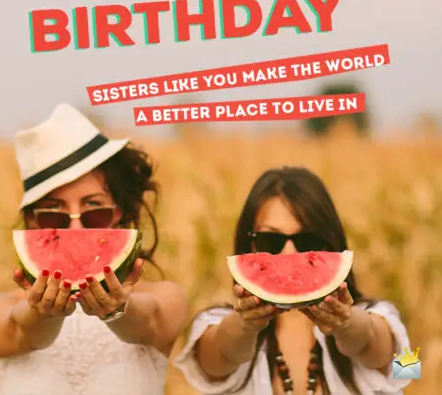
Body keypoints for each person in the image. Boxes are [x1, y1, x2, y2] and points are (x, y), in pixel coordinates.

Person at [0, 103, 188, 395]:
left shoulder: (166, 299)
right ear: (33, 220)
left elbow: (147, 322)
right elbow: (22, 330)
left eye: (94, 208)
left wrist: (119, 309)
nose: (75, 230)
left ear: (118, 212)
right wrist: (43, 314)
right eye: (53, 213)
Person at [174, 167, 412, 395]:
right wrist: (246, 325)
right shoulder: (213, 322)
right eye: (270, 240)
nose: (288, 254)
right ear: (249, 244)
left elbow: (383, 352)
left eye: (307, 241)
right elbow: (220, 356)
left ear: (330, 243)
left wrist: (347, 323)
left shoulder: (383, 316)